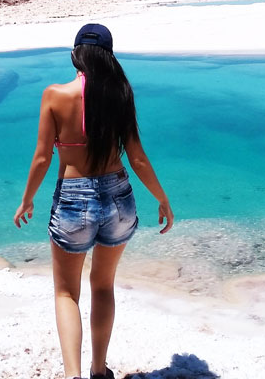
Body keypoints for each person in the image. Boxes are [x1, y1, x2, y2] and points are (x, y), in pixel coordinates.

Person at [14, 23, 174, 379]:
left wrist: (26, 200)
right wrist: (161, 199)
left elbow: (41, 158)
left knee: (66, 294)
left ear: (76, 55)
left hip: (73, 200)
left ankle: (74, 376)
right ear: (109, 57)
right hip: (119, 197)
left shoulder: (55, 95)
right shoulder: (121, 95)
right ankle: (99, 372)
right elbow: (137, 157)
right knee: (102, 285)